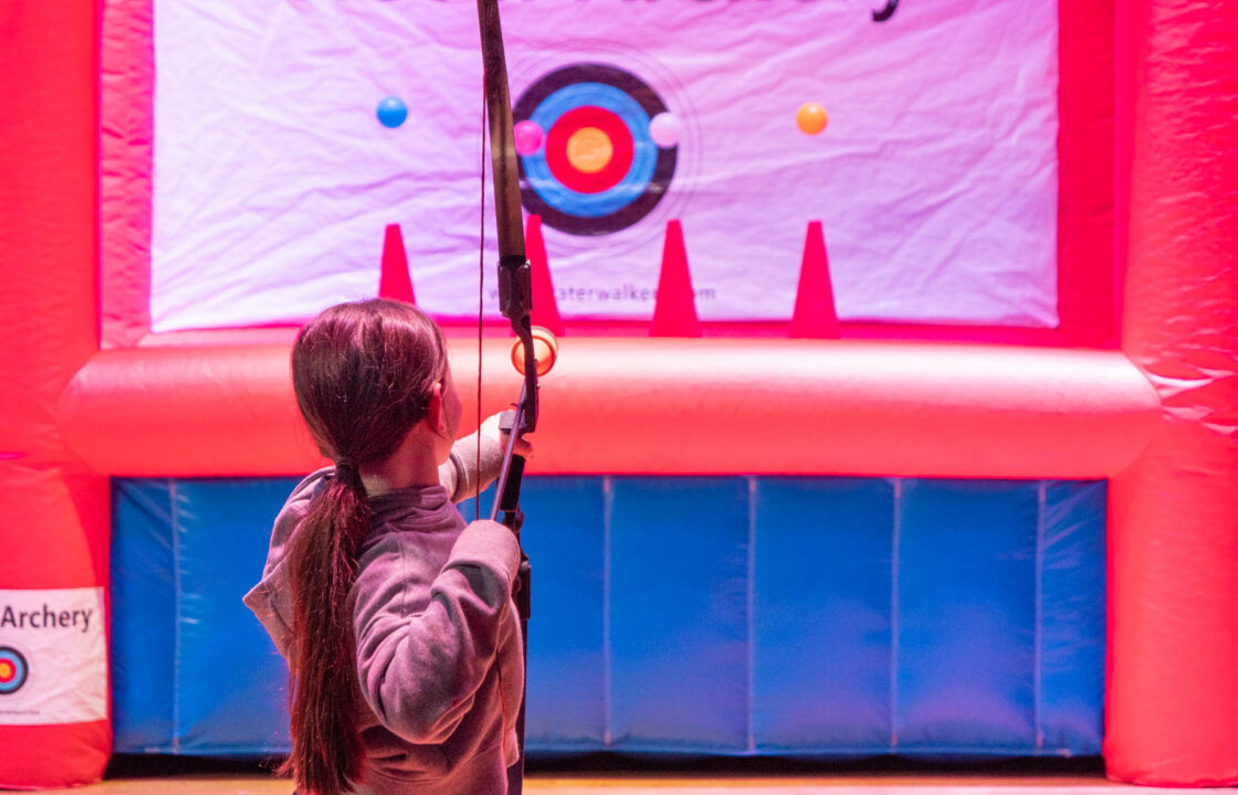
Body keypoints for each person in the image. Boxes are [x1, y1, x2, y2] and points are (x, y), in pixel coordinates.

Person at [244, 298, 529, 795]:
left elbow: (411, 487)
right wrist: (485, 555)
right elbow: (417, 703)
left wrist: (487, 450)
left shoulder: (321, 508)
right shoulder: (400, 567)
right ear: (438, 404)